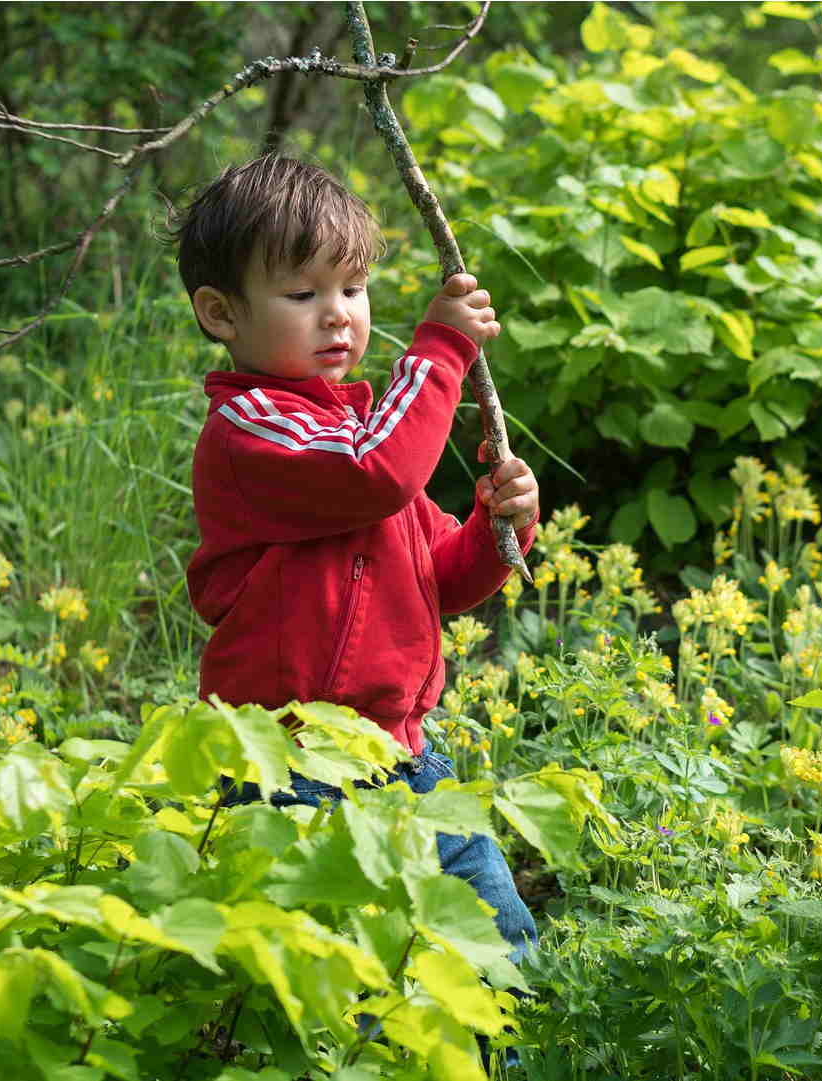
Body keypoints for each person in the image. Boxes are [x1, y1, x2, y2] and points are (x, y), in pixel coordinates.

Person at [176, 153, 540, 998]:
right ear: (220, 312)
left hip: (407, 756)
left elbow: (439, 578)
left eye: (353, 288)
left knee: (496, 949)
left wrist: (499, 525)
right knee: (330, 978)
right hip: (290, 765)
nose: (337, 316)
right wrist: (442, 350)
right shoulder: (250, 431)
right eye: (302, 295)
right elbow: (373, 475)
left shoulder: (364, 430)